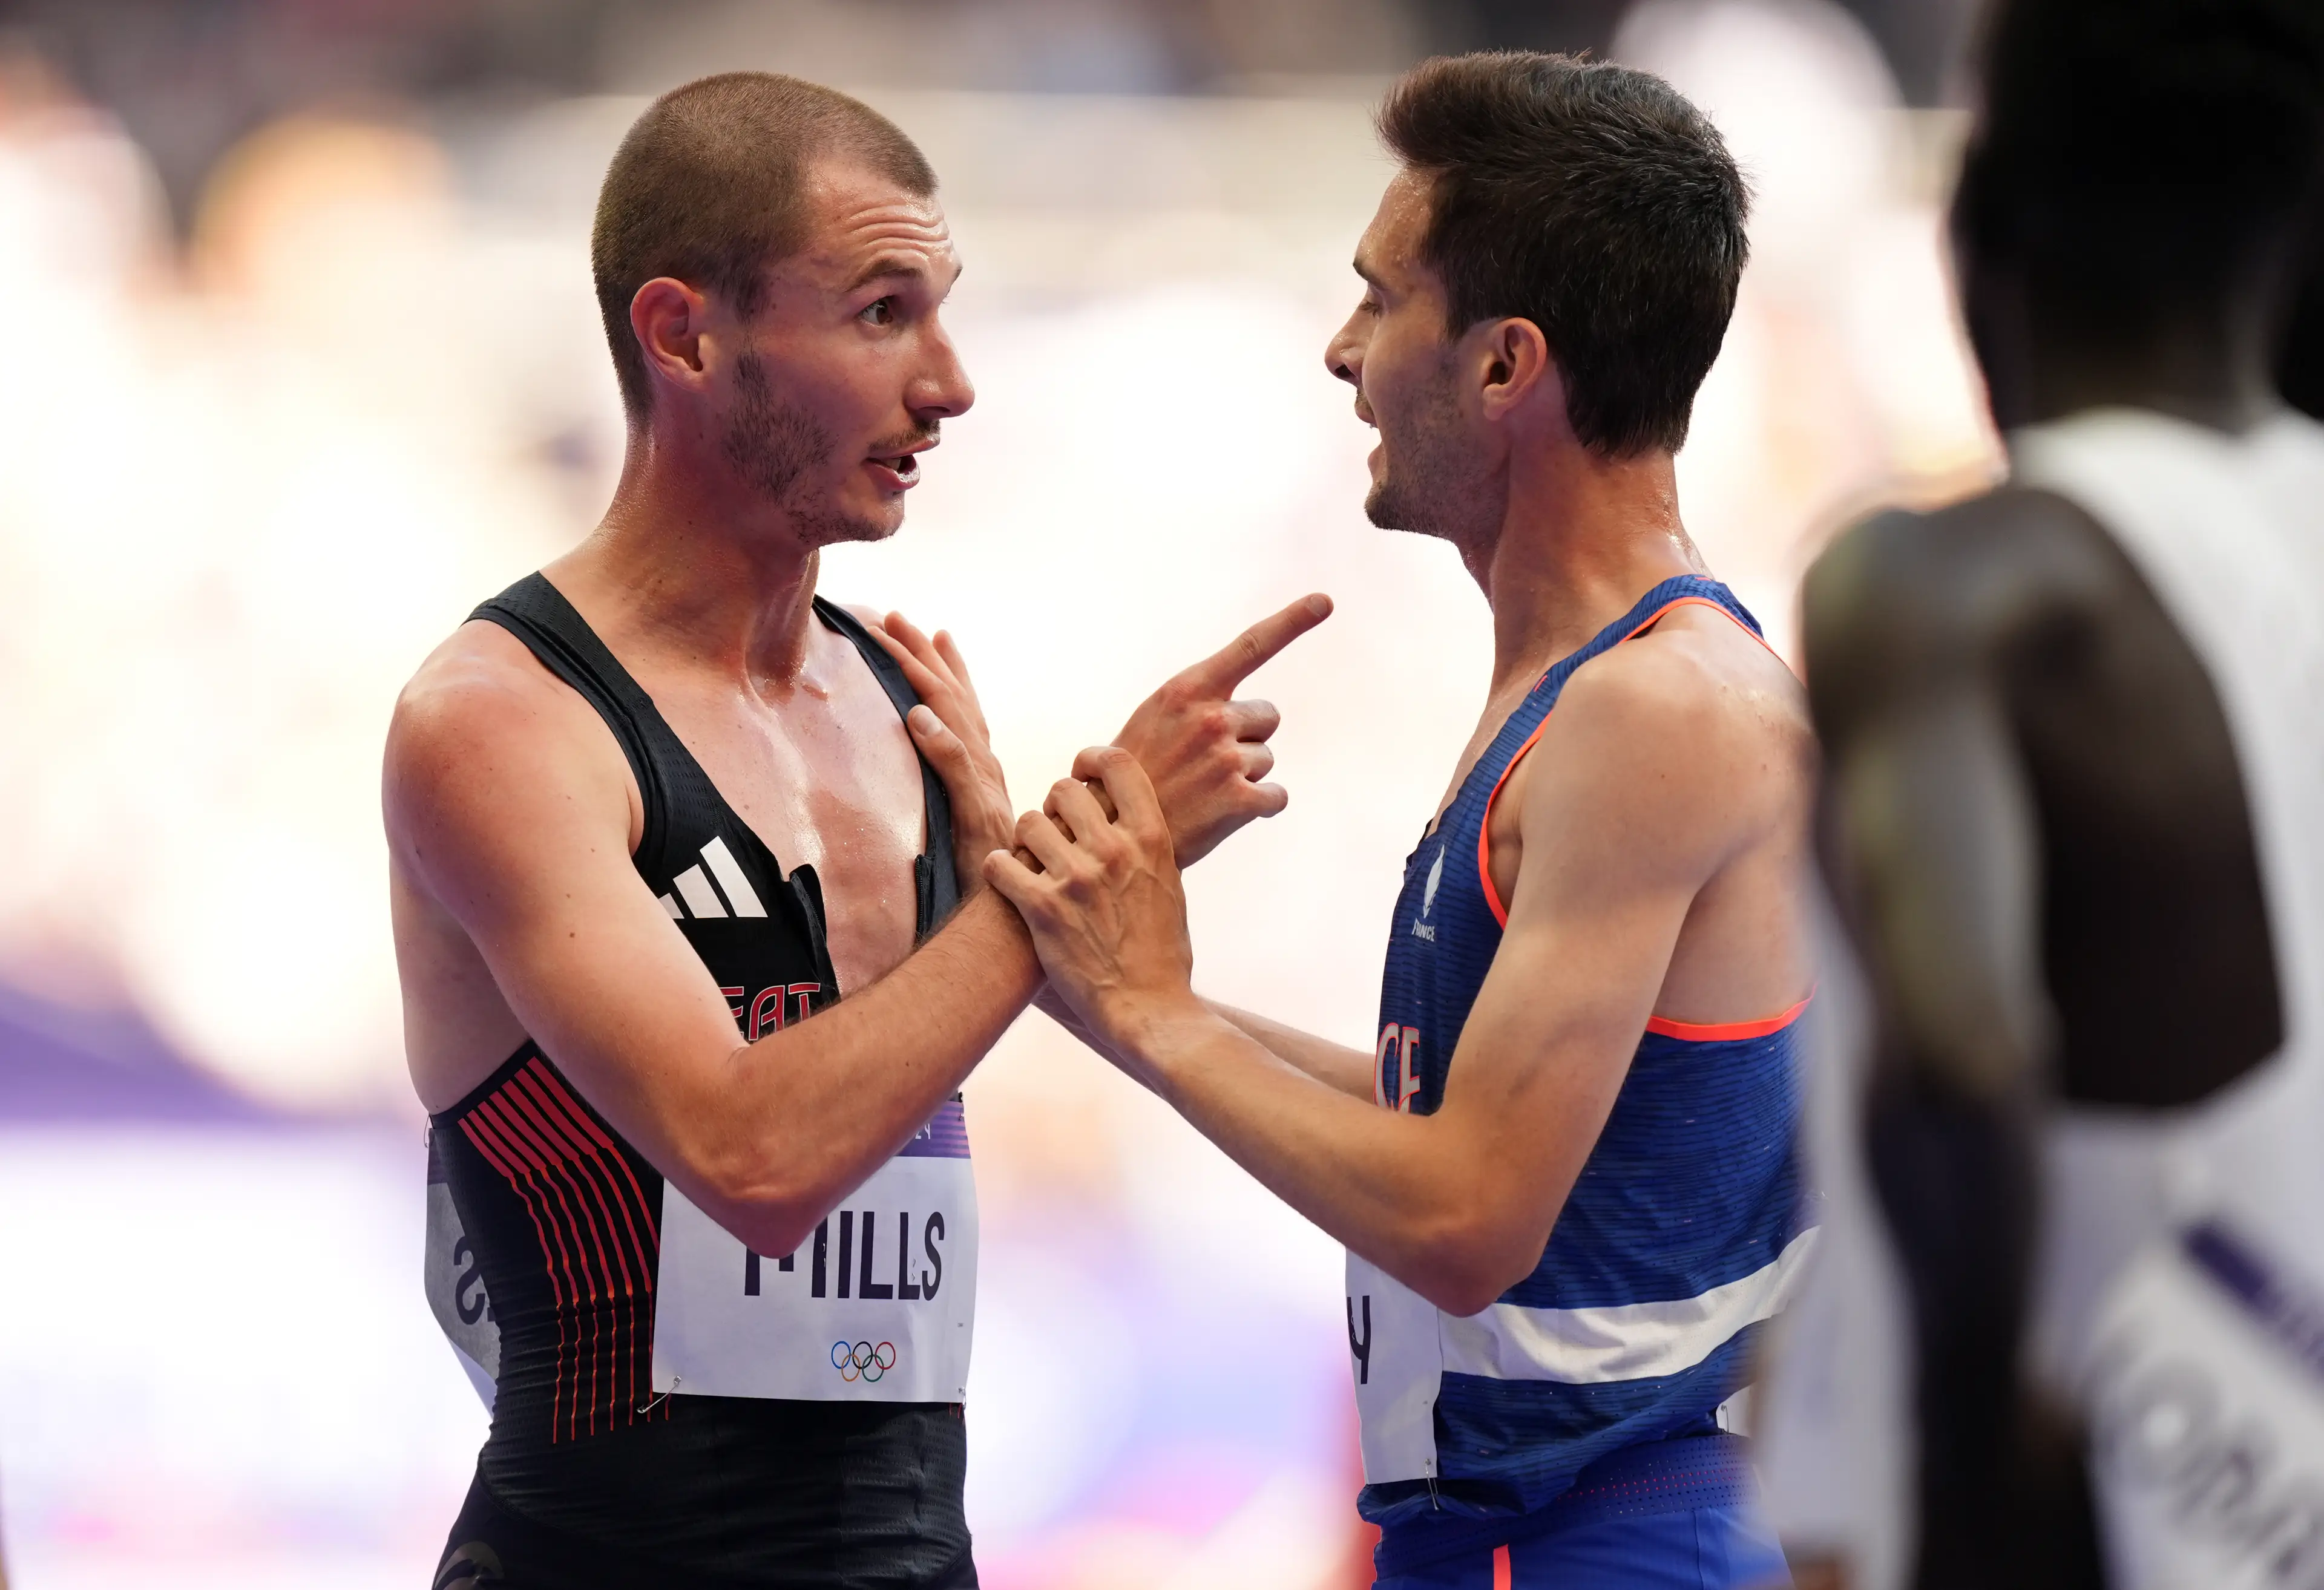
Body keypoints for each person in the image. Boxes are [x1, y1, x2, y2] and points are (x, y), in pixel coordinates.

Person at [385, 72, 1328, 1589]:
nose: (951, 385)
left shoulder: (898, 697)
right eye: (883, 313)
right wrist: (1051, 881)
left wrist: (1101, 889)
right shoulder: (502, 722)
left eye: (943, 313)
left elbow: (1059, 1010)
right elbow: (751, 1158)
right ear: (685, 334)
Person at [982, 53, 1816, 1589]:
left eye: (1378, 300)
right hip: (1529, 1528)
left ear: (1505, 366)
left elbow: (1469, 1215)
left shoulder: (1657, 711)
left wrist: (1159, 1017)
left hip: (1615, 1536)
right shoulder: (1588, 692)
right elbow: (1444, 1114)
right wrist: (1092, 986)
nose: (1341, 349)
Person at [1790, 1, 2324, 1586]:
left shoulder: (1952, 586)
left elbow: (1963, 1054)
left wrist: (1965, 1505)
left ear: (1977, 230)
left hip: (2140, 1513)